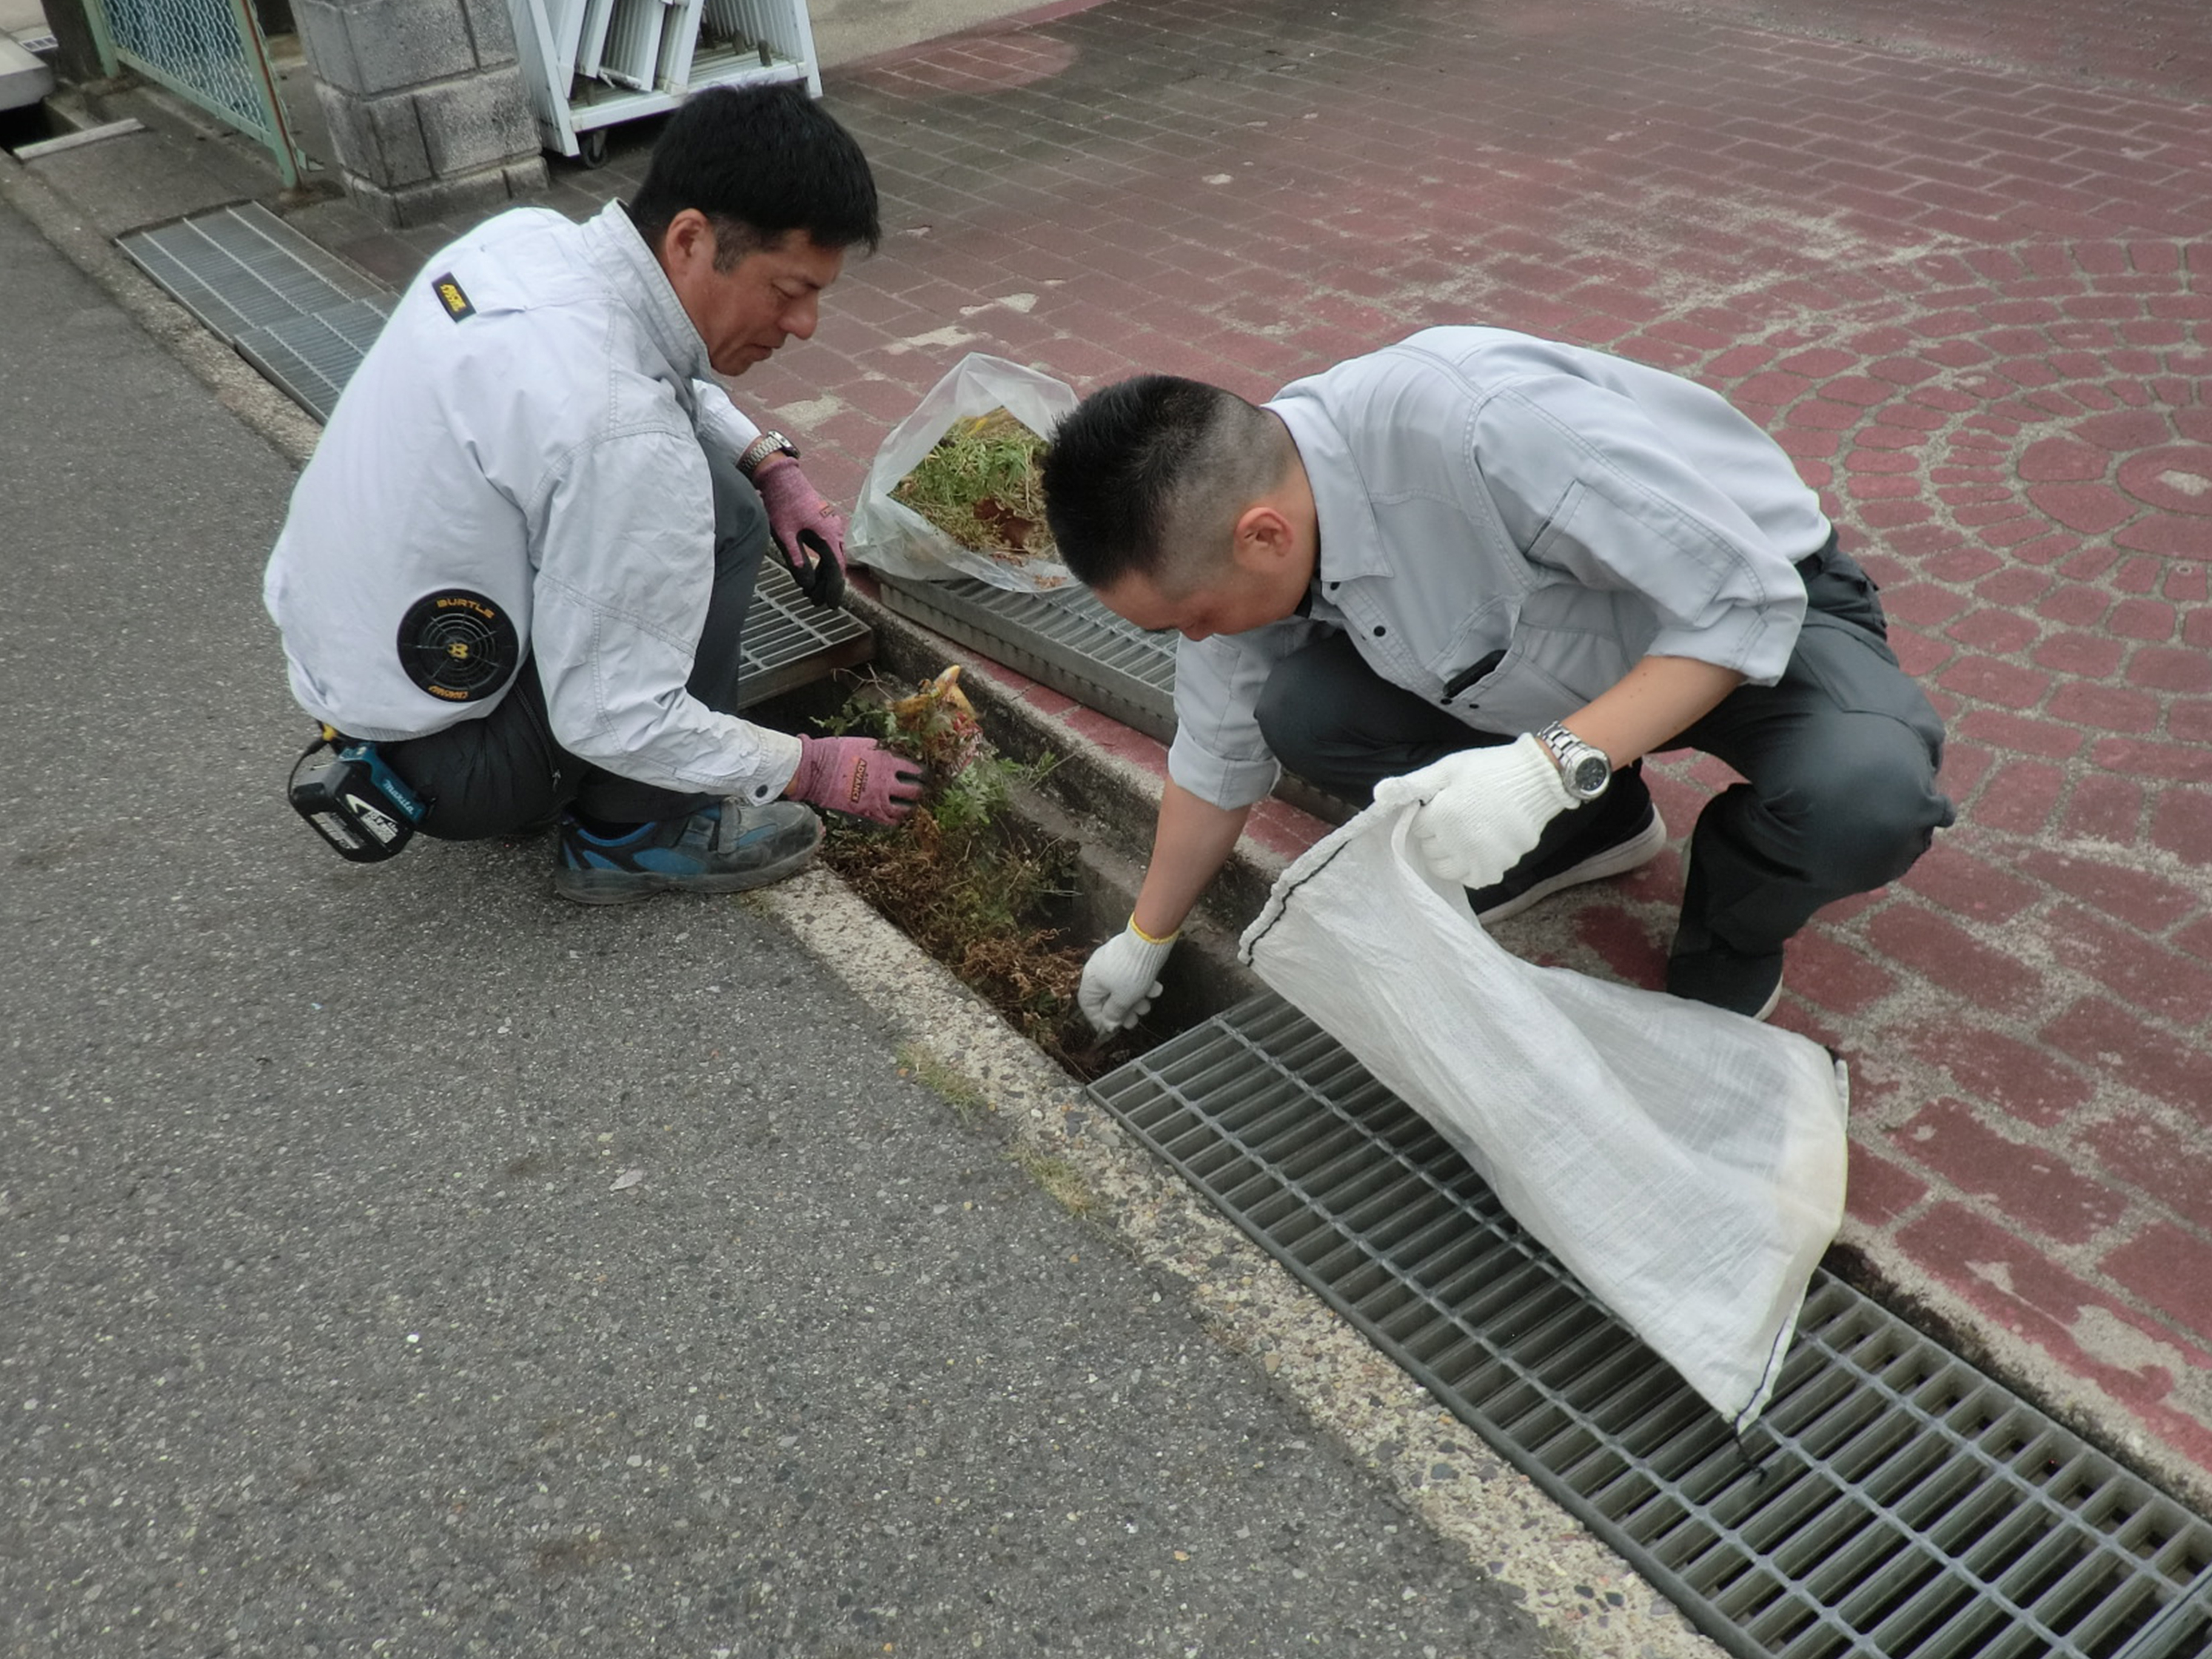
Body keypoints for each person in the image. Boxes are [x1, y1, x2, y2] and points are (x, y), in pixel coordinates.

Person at [1041, 326, 1953, 1027]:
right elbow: (1216, 753)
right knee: (1302, 709)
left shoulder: (1481, 426)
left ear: (1263, 536)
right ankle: (1593, 826)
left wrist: (1540, 769)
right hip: (1549, 672)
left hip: (1760, 617)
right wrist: (1144, 937)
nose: (1195, 639)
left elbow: (1740, 600)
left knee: (1864, 797)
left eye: (1192, 617)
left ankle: (1732, 923)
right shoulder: (1246, 527)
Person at [264, 85, 922, 903]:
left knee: (726, 493)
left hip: (362, 677)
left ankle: (572, 784)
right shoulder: (625, 439)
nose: (807, 325)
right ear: (690, 239)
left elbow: (643, 362)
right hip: (452, 767)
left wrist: (768, 460)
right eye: (789, 293)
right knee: (716, 524)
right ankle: (638, 832)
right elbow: (614, 716)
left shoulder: (527, 242)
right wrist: (805, 767)